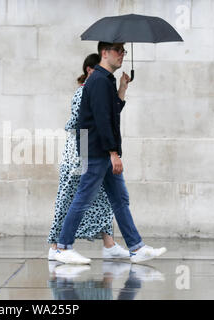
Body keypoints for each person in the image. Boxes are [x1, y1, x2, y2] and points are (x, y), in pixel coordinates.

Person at [54, 42, 167, 264]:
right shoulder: (98, 80)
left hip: (100, 150)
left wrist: (123, 87)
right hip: (97, 150)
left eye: (123, 51)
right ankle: (63, 247)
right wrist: (113, 153)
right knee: (84, 197)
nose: (122, 55)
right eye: (118, 51)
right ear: (104, 53)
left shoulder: (106, 80)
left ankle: (136, 247)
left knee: (120, 199)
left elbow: (111, 111)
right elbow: (102, 120)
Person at [47, 53, 130, 261]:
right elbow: (82, 126)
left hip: (88, 150)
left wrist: (122, 89)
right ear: (89, 71)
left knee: (102, 198)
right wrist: (86, 157)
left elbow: (113, 113)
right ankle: (56, 245)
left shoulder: (96, 90)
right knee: (70, 198)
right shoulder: (82, 93)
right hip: (79, 151)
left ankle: (109, 243)